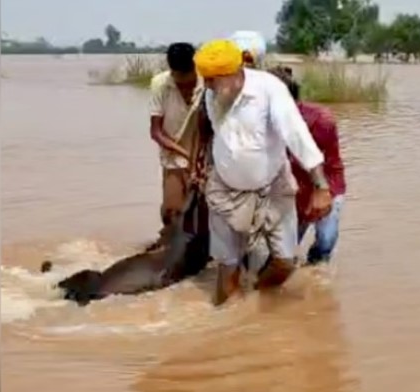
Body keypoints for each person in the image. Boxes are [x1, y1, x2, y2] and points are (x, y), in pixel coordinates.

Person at [193, 39, 332, 305]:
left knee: (285, 262)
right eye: (205, 79)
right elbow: (219, 137)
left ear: (235, 73)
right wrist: (202, 166)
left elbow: (297, 135)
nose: (207, 85)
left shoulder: (269, 89)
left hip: (273, 187)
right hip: (225, 190)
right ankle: (229, 318)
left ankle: (258, 297)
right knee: (228, 266)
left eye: (212, 79)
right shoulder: (213, 94)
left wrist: (321, 186)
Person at [269, 67, 346, 264]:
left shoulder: (321, 120)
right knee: (284, 250)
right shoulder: (264, 121)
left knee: (326, 240)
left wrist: (321, 191)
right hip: (290, 189)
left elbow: (324, 163)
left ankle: (316, 269)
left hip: (325, 184)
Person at [148, 42, 205, 240]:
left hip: (205, 153)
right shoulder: (160, 84)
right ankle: (168, 243)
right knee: (171, 211)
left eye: (186, 76)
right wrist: (186, 155)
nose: (182, 81)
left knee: (206, 209)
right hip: (173, 154)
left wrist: (198, 160)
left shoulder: (206, 82)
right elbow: (156, 132)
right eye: (177, 76)